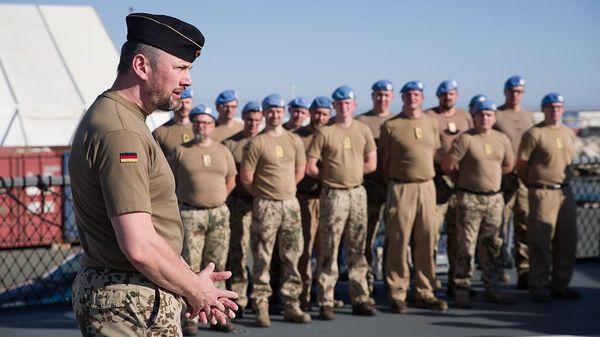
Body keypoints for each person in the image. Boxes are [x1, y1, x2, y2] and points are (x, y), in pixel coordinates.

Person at [69, 13, 238, 337]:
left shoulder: (121, 118)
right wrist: (197, 290)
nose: (188, 81)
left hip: (133, 295)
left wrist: (185, 277)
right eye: (180, 68)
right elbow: (139, 244)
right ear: (142, 66)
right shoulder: (122, 131)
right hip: (130, 302)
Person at [306, 86, 377, 320]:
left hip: (357, 193)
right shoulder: (325, 132)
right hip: (333, 195)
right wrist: (330, 178)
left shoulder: (363, 130)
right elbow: (311, 165)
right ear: (334, 106)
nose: (344, 107)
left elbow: (371, 164)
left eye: (348, 103)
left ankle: (360, 297)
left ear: (354, 106)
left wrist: (352, 174)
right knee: (329, 247)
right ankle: (326, 299)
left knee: (357, 247)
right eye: (340, 103)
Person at [240, 93, 311, 327]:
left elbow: (300, 171)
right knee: (262, 257)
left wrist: (285, 190)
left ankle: (292, 303)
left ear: (283, 113)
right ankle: (261, 305)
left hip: (290, 204)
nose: (275, 114)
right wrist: (264, 194)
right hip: (266, 204)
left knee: (292, 255)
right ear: (265, 113)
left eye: (279, 111)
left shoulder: (294, 140)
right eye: (271, 111)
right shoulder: (257, 142)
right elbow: (247, 177)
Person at [379, 81, 447, 313]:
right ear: (402, 98)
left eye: (416, 94)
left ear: (422, 97)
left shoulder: (431, 123)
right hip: (401, 188)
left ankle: (425, 290)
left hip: (427, 187)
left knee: (427, 239)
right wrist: (395, 184)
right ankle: (397, 291)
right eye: (408, 94)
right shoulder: (392, 125)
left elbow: (434, 152)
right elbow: (385, 161)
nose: (412, 98)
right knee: (398, 240)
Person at [169, 106, 237, 334]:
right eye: (198, 122)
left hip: (218, 213)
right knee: (190, 264)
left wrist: (216, 200)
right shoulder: (180, 151)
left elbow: (231, 180)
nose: (202, 126)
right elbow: (169, 183)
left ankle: (220, 313)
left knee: (217, 264)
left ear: (213, 125)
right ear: (193, 125)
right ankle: (191, 317)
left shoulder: (223, 150)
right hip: (190, 213)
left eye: (207, 122)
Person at [442, 99, 516, 308]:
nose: (485, 118)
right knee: (466, 245)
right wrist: (467, 178)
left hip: (494, 199)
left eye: (489, 114)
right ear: (474, 117)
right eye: (481, 114)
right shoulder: (466, 139)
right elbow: (448, 165)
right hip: (470, 198)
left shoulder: (502, 139)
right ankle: (462, 288)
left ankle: (492, 288)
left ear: (494, 117)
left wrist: (489, 178)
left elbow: (508, 165)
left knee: (492, 245)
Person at [516, 93, 579, 303]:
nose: (555, 110)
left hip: (565, 192)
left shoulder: (569, 133)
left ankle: (561, 284)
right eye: (551, 107)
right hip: (542, 192)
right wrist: (534, 186)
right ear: (543, 110)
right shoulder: (534, 134)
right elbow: (521, 165)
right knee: (541, 241)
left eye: (559, 107)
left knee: (567, 239)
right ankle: (539, 286)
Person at [424, 80, 473, 292]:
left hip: (461, 184)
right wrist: (445, 165)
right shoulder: (429, 117)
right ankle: (430, 280)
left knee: (459, 235)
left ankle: (457, 280)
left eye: (452, 94)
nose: (448, 98)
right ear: (438, 96)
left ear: (457, 95)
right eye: (444, 94)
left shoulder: (465, 117)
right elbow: (428, 148)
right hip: (437, 183)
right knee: (431, 235)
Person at [223, 101, 263, 317]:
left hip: (262, 203)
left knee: (262, 251)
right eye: (249, 119)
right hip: (238, 202)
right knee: (238, 250)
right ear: (243, 118)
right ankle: (240, 295)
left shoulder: (266, 140)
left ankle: (260, 296)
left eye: (257, 120)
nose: (253, 123)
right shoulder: (231, 144)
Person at [355, 79, 395, 294]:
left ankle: (391, 281)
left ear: (392, 98)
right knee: (365, 237)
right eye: (379, 95)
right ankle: (367, 281)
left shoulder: (398, 121)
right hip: (369, 187)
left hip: (392, 187)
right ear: (373, 97)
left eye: (386, 95)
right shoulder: (362, 121)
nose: (382, 99)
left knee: (394, 236)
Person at [494, 75, 534, 289]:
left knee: (524, 224)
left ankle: (525, 269)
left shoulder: (528, 116)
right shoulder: (497, 115)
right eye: (512, 91)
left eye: (519, 91)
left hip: (524, 179)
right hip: (502, 178)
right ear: (505, 92)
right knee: (499, 225)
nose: (515, 95)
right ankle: (496, 269)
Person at [294, 96, 333, 311]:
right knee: (304, 251)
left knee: (327, 249)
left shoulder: (334, 134)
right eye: (317, 113)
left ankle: (325, 296)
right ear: (311, 112)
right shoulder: (299, 137)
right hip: (305, 198)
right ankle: (303, 295)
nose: (321, 117)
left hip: (328, 199)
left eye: (325, 114)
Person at [152, 87, 195, 156]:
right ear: (173, 103)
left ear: (192, 103)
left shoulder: (200, 129)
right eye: (181, 102)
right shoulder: (160, 133)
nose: (184, 106)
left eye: (187, 102)